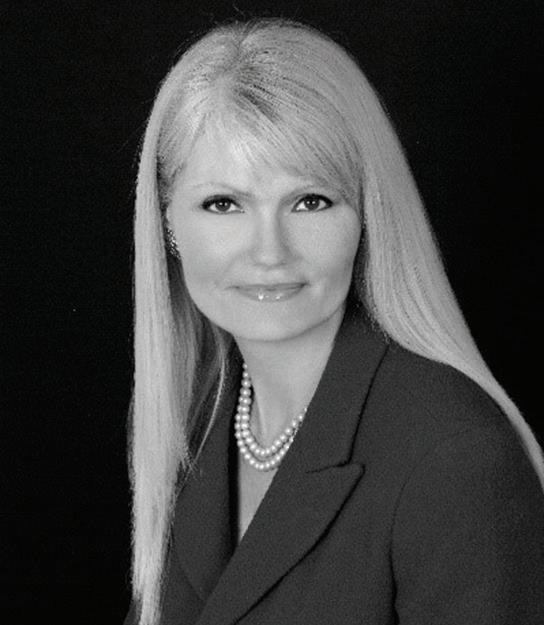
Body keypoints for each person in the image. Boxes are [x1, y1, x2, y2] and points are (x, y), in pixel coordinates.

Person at [125, 18, 544, 625]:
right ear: (167, 223)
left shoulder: (456, 456)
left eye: (310, 201)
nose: (269, 252)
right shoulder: (193, 419)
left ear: (368, 216)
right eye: (224, 203)